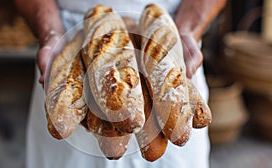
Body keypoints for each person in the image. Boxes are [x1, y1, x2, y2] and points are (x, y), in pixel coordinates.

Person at [15, 0, 227, 167]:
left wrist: (188, 30)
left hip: (174, 27)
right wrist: (51, 33)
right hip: (67, 31)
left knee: (162, 141)